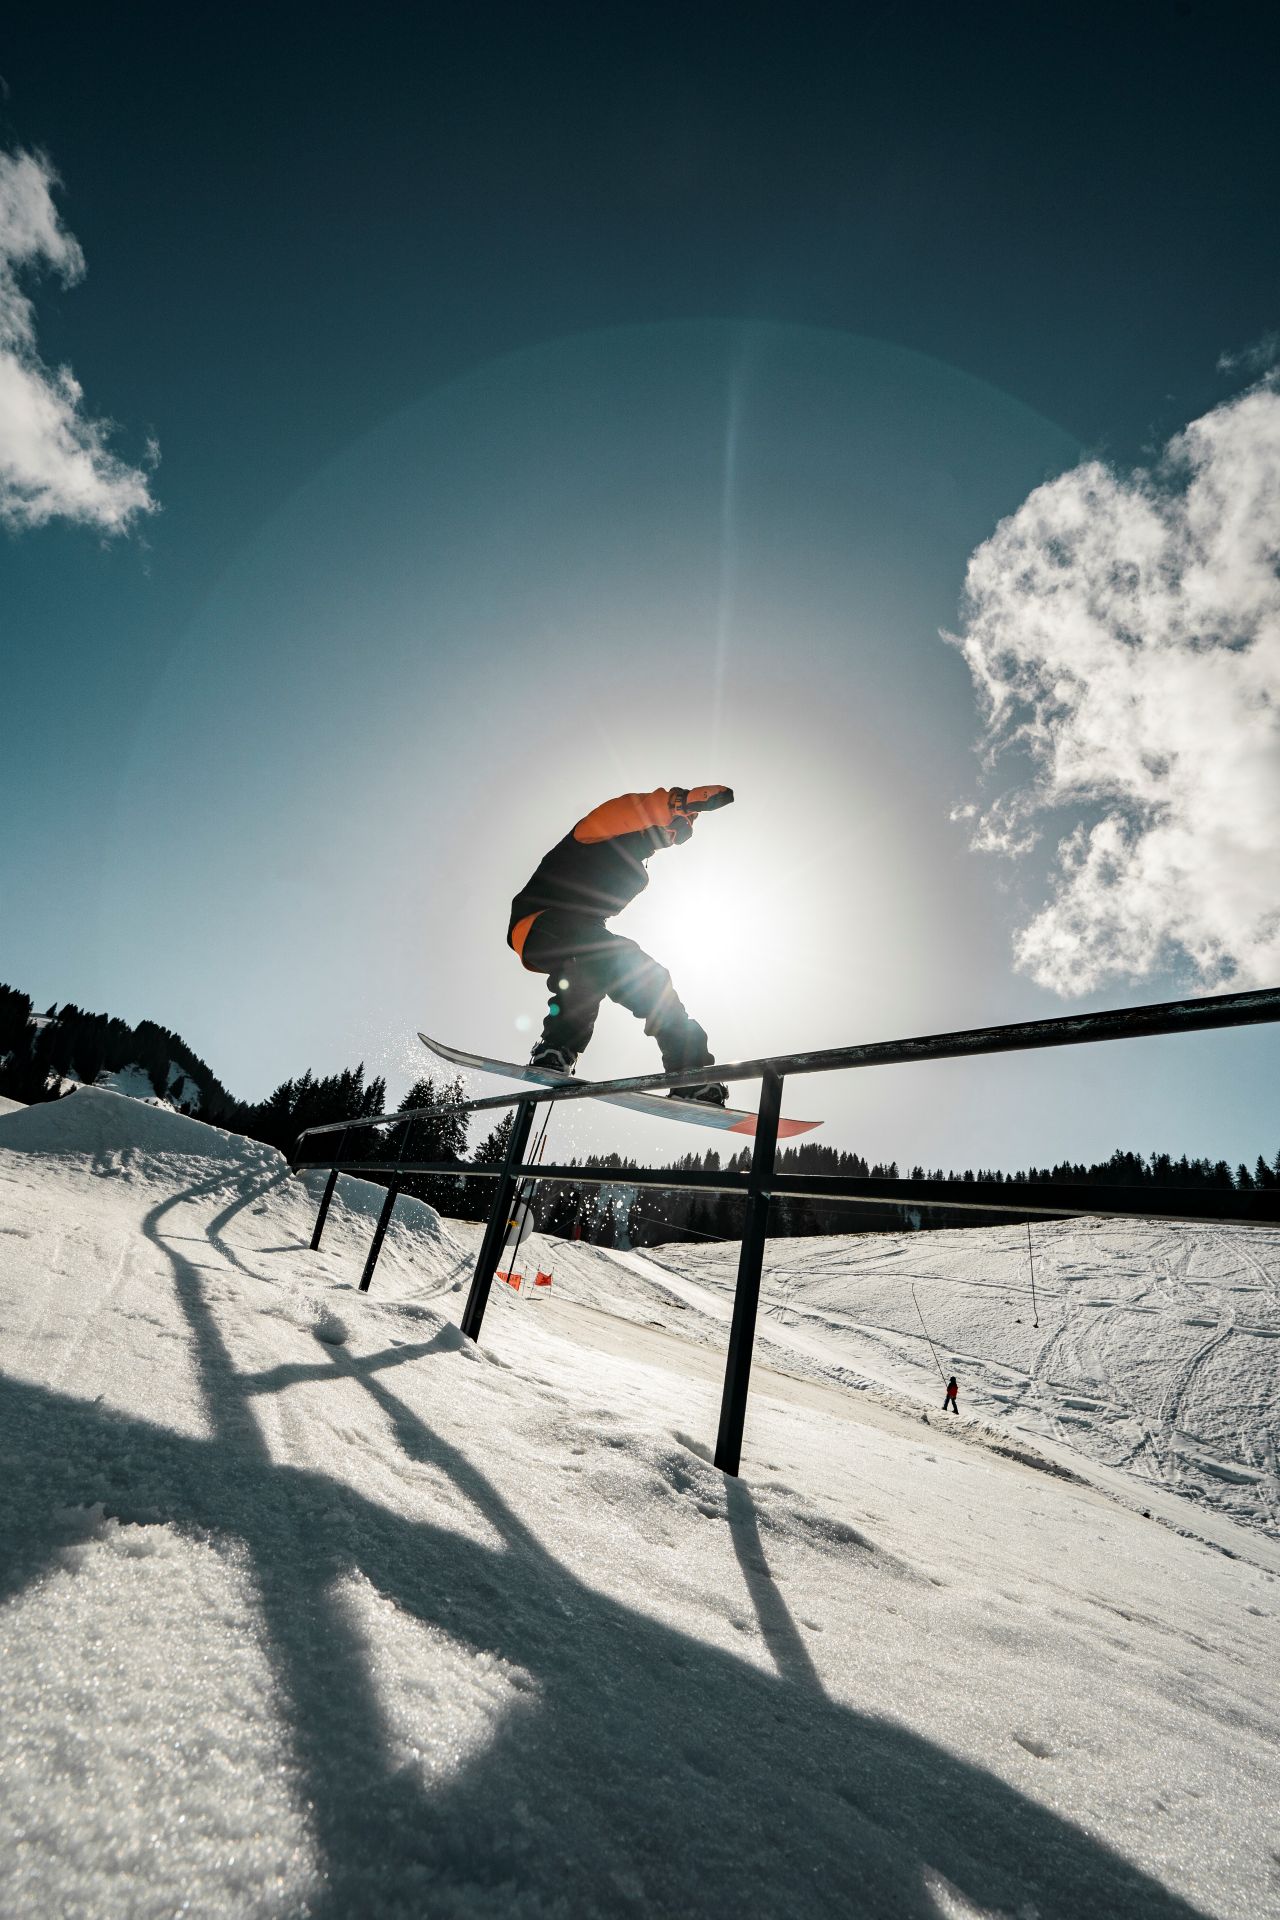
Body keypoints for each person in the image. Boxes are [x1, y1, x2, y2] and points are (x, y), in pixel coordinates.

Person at [508, 785, 734, 1105]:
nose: (669, 837)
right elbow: (630, 809)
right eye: (666, 831)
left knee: (650, 978)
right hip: (541, 920)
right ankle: (556, 1047)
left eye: (672, 835)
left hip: (583, 938)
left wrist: (665, 832)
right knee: (598, 954)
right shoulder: (594, 831)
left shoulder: (637, 868)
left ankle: (690, 1074)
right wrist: (677, 802)